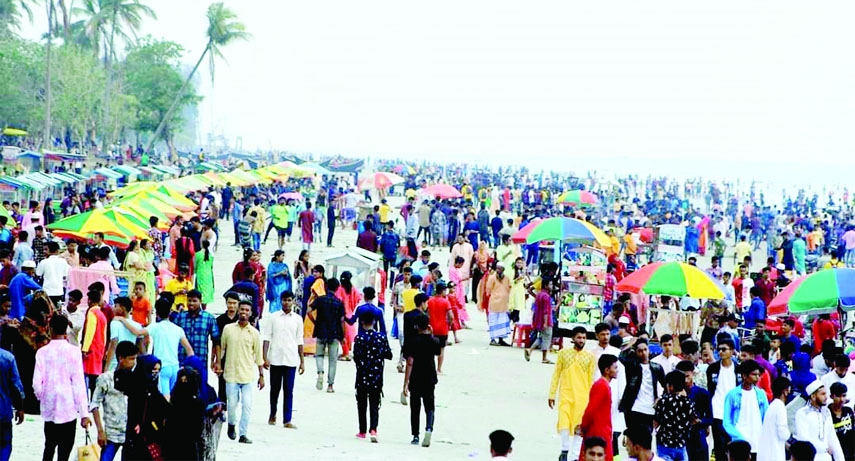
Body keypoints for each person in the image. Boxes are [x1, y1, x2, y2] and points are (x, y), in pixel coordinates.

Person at [33, 315, 90, 461]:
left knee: (49, 445)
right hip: (68, 407)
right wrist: (84, 413)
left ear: (50, 329)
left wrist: (43, 396)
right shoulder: (74, 351)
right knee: (65, 450)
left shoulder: (42, 352)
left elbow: (36, 384)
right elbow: (78, 383)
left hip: (50, 407)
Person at [220, 300, 264, 444]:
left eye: (247, 310)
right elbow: (222, 349)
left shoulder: (255, 333)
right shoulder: (228, 329)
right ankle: (232, 425)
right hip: (231, 374)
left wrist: (261, 375)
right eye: (242, 310)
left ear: (251, 314)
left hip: (247, 375)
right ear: (238, 311)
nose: (244, 312)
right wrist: (218, 364)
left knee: (247, 405)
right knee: (232, 404)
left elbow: (258, 356)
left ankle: (243, 433)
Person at [549, 326, 596, 461]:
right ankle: (564, 450)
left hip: (582, 397)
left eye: (584, 338)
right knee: (563, 423)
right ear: (573, 338)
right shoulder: (563, 354)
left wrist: (591, 399)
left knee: (578, 427)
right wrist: (552, 394)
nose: (581, 340)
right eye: (579, 337)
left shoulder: (589, 357)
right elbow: (556, 374)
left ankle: (574, 456)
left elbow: (590, 379)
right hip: (566, 394)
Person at [261, 291, 304, 428]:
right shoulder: (273, 317)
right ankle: (272, 414)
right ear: (281, 301)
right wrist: (264, 357)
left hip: (291, 359)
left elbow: (299, 340)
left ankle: (287, 419)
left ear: (293, 301)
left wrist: (302, 361)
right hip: (276, 359)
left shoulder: (298, 319)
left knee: (288, 390)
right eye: (284, 300)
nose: (286, 302)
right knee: (274, 389)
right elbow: (267, 337)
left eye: (289, 300)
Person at [90, 341, 137, 461]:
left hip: (130, 433)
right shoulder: (105, 379)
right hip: (111, 433)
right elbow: (94, 404)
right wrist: (100, 431)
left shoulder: (136, 378)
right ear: (121, 358)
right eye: (131, 359)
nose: (134, 362)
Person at [142, 298, 194, 398]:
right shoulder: (178, 329)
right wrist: (187, 366)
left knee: (164, 398)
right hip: (175, 367)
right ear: (170, 312)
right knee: (174, 397)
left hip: (162, 367)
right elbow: (189, 350)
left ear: (157, 313)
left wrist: (122, 320)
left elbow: (138, 332)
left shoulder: (155, 327)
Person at [353, 311, 393, 442]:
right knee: (375, 403)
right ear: (374, 322)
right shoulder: (381, 338)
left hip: (362, 375)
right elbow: (389, 354)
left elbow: (356, 357)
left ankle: (362, 430)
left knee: (362, 403)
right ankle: (373, 430)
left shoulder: (359, 338)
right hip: (376, 376)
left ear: (362, 323)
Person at [403, 313, 441, 447]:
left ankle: (415, 435)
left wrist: (405, 383)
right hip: (430, 376)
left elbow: (409, 363)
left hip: (416, 377)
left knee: (415, 407)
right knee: (429, 405)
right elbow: (438, 352)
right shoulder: (434, 341)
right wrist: (432, 334)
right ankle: (429, 428)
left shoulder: (411, 341)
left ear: (416, 326)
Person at [723, 360, 769, 458]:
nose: (757, 377)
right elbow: (727, 422)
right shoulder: (732, 395)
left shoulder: (761, 394)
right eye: (754, 374)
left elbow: (766, 416)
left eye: (758, 374)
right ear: (744, 376)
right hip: (740, 441)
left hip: (758, 440)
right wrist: (738, 437)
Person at [620, 338, 666, 434]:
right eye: (640, 351)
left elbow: (666, 386)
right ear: (636, 352)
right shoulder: (632, 366)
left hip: (650, 409)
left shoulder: (657, 367)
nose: (643, 353)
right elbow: (620, 357)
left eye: (645, 349)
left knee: (646, 441)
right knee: (634, 439)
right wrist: (630, 345)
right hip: (634, 408)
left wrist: (660, 399)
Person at [579, 354, 618, 461]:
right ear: (607, 370)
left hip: (601, 429)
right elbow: (590, 410)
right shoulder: (601, 385)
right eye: (615, 368)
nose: (617, 370)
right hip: (598, 430)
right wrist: (584, 427)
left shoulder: (603, 385)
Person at [794, 380, 846, 461]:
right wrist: (824, 448)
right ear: (813, 396)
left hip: (826, 457)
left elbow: (833, 438)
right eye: (822, 394)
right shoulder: (802, 413)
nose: (826, 397)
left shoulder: (826, 412)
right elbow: (803, 439)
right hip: (811, 458)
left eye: (826, 394)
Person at [311, 278, 345, 393]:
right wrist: (343, 336)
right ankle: (330, 385)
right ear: (337, 288)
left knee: (319, 355)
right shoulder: (339, 303)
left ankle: (320, 372)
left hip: (321, 330)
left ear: (326, 286)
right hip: (334, 333)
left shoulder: (320, 300)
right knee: (332, 360)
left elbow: (308, 310)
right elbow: (342, 320)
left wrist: (314, 321)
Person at [174, 289, 221, 371]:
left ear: (200, 301)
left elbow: (216, 341)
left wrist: (217, 361)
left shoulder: (209, 318)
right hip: (182, 361)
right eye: (189, 300)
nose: (191, 303)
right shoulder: (180, 317)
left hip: (201, 361)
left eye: (194, 301)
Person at [708, 338, 739, 461]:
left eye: (724, 349)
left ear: (732, 351)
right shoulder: (713, 369)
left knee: (732, 445)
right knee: (719, 446)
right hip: (717, 412)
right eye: (719, 349)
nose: (721, 352)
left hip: (733, 414)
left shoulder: (738, 369)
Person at [654, 370, 695, 461]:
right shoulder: (688, 402)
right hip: (681, 444)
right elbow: (693, 420)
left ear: (671, 386)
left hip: (665, 445)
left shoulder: (663, 401)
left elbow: (656, 422)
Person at [675, 360, 712, 461]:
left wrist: (701, 422)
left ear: (693, 373)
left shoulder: (703, 393)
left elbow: (710, 418)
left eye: (687, 376)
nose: (685, 380)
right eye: (682, 377)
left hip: (698, 437)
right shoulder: (672, 395)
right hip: (679, 439)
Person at [103, 296, 143, 372]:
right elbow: (141, 346)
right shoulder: (137, 325)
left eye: (115, 306)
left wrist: (107, 366)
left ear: (123, 308)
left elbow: (113, 343)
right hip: (131, 363)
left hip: (115, 362)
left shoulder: (115, 323)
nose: (113, 308)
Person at [758, 377, 792, 461]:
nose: (789, 392)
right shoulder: (780, 407)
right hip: (774, 454)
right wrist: (790, 434)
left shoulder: (772, 406)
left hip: (766, 452)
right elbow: (783, 433)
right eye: (788, 389)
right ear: (784, 391)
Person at [81, 289, 108, 396]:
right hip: (100, 347)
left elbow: (89, 332)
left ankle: (88, 399)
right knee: (95, 373)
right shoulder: (102, 314)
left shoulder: (92, 312)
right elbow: (104, 334)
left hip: (92, 347)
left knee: (88, 374)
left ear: (90, 301)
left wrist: (85, 348)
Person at [0, 341, 23, 460]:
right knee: (5, 443)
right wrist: (19, 408)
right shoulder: (8, 358)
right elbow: (16, 386)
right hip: (4, 410)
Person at [525, 279, 555, 364]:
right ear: (546, 286)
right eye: (550, 284)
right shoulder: (546, 297)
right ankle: (544, 357)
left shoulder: (539, 295)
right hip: (546, 320)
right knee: (547, 338)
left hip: (538, 320)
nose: (551, 286)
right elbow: (546, 311)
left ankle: (530, 350)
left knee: (541, 337)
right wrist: (546, 322)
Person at [426, 282, 453, 373]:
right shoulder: (446, 302)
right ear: (442, 291)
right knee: (441, 349)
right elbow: (451, 316)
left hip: (431, 328)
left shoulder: (430, 300)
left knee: (430, 349)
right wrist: (449, 324)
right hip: (442, 329)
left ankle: (430, 368)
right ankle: (439, 369)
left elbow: (427, 313)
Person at [486, 262, 512, 346]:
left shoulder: (507, 278)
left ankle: (501, 339)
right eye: (497, 268)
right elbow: (488, 290)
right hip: (494, 303)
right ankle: (492, 339)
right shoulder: (492, 278)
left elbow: (509, 288)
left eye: (500, 268)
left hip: (503, 304)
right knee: (493, 321)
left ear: (503, 269)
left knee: (502, 322)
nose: (498, 270)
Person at [35, 241, 68, 306]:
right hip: (59, 291)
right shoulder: (63, 262)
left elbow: (38, 275)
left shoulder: (43, 262)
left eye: (46, 249)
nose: (44, 251)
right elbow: (65, 276)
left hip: (46, 292)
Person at [828, 382, 854, 461]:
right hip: (834, 453)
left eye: (844, 396)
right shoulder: (826, 414)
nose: (842, 399)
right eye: (838, 396)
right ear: (832, 396)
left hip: (850, 452)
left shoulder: (849, 411)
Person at [266, 250, 292, 315]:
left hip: (283, 286)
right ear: (277, 257)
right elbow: (270, 276)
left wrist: (286, 274)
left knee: (283, 299)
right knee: (275, 300)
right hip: (274, 286)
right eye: (282, 256)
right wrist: (280, 273)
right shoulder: (271, 265)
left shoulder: (284, 265)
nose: (283, 257)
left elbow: (288, 277)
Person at [195, 240, 215, 309]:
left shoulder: (198, 254)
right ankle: (204, 307)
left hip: (200, 274)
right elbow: (211, 267)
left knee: (200, 290)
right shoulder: (211, 256)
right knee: (206, 290)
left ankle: (199, 306)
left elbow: (195, 265)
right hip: (208, 275)